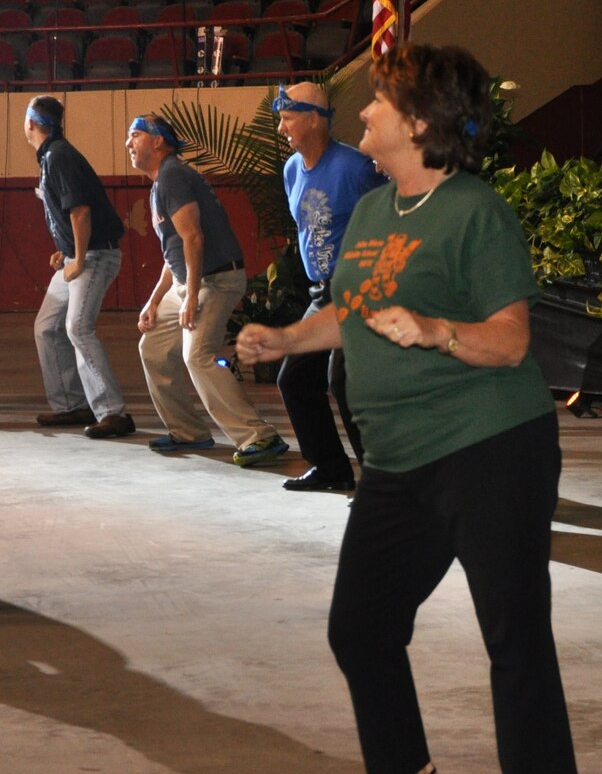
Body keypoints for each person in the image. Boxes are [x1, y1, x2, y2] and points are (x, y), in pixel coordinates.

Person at [236, 44, 580, 774]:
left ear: (419, 123)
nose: (362, 116)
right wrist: (285, 337)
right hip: (397, 459)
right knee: (361, 626)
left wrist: (435, 331)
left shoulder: (476, 212)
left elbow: (510, 340)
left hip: (490, 449)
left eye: (378, 104)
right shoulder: (374, 209)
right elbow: (346, 313)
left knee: (513, 632)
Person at [128, 113, 288, 466]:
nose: (129, 143)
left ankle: (259, 436)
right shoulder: (160, 184)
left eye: (135, 135)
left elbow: (194, 238)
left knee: (197, 355)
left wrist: (193, 295)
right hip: (190, 281)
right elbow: (175, 253)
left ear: (158, 141)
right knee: (152, 346)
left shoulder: (173, 176)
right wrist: (155, 301)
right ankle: (189, 431)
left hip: (215, 279)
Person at [274, 81, 384, 492]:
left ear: (314, 120)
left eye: (287, 119)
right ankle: (331, 469)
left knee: (346, 383)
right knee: (295, 379)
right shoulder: (290, 171)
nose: (281, 128)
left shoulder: (355, 168)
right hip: (324, 292)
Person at [23, 96, 134, 439]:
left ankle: (113, 412)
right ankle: (72, 404)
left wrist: (80, 258)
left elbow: (80, 212)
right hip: (75, 255)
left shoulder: (59, 157)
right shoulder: (52, 156)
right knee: (46, 326)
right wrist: (65, 253)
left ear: (29, 124)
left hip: (95, 255)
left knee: (78, 328)